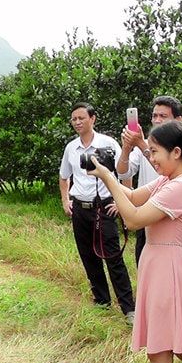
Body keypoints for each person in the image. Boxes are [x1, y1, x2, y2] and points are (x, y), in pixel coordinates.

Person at [86, 120, 182, 363]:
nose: (151, 158)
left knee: (159, 353)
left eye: (155, 151)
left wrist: (108, 178)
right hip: (168, 267)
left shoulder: (180, 187)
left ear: (176, 152)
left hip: (169, 272)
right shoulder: (172, 180)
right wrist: (104, 173)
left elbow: (133, 220)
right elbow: (132, 198)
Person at [59, 102, 136, 323]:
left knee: (113, 257)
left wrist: (124, 201)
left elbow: (125, 171)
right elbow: (64, 176)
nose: (77, 122)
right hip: (80, 210)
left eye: (81, 118)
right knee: (88, 257)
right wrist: (66, 200)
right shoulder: (70, 148)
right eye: (74, 119)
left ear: (93, 119)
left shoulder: (108, 144)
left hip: (104, 207)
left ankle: (128, 308)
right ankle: (101, 300)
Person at [117, 95, 182, 266]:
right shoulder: (144, 145)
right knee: (144, 265)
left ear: (178, 120)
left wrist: (140, 143)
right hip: (145, 216)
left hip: (170, 220)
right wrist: (126, 148)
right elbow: (123, 173)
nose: (157, 120)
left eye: (163, 116)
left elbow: (165, 171)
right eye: (154, 116)